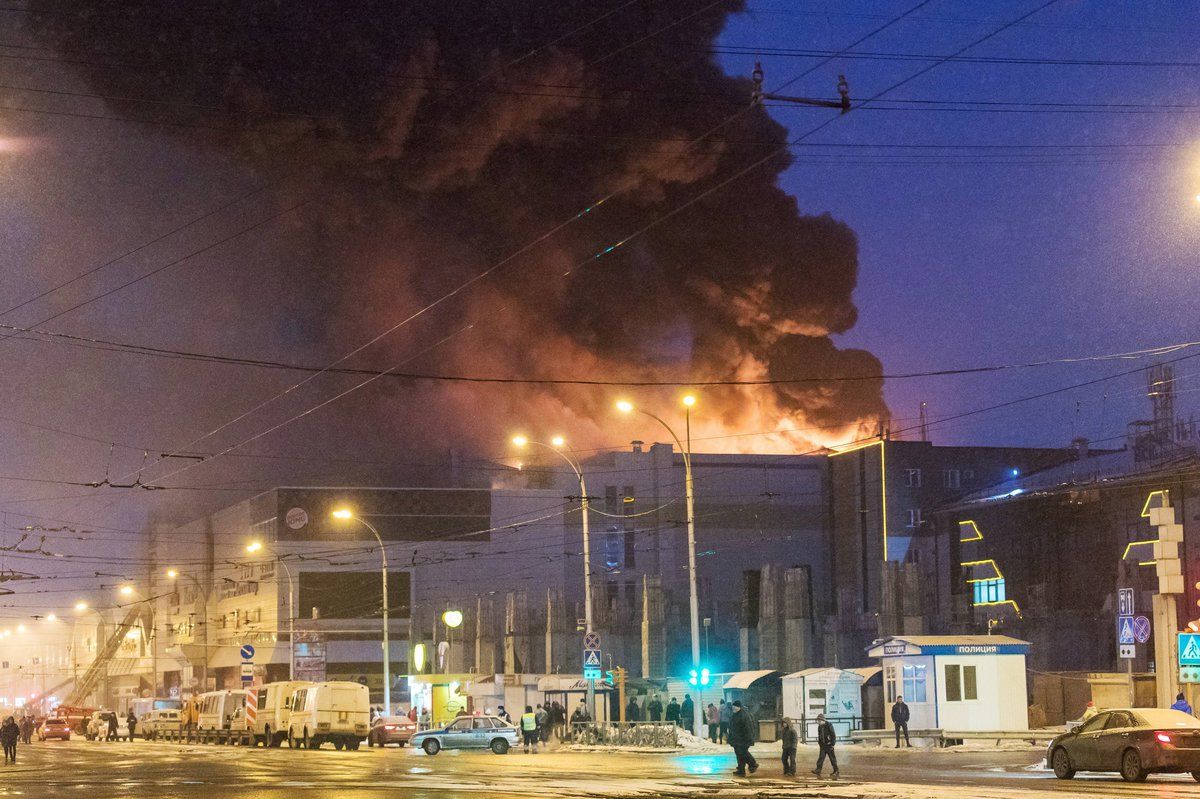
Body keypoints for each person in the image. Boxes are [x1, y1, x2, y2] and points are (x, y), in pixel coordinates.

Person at [727, 700, 758, 777]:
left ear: (739, 707)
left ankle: (753, 763)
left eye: (735, 707)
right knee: (739, 753)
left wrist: (748, 738)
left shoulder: (744, 715)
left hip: (743, 739)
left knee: (742, 752)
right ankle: (741, 770)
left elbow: (747, 728)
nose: (733, 708)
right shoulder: (735, 714)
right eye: (732, 707)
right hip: (737, 738)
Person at [811, 713, 839, 779]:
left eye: (819, 721)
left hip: (829, 745)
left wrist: (832, 744)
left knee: (832, 759)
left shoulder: (829, 725)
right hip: (823, 746)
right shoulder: (820, 727)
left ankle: (836, 770)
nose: (818, 722)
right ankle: (818, 769)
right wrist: (820, 743)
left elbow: (833, 735)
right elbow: (819, 736)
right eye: (817, 721)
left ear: (823, 720)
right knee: (821, 758)